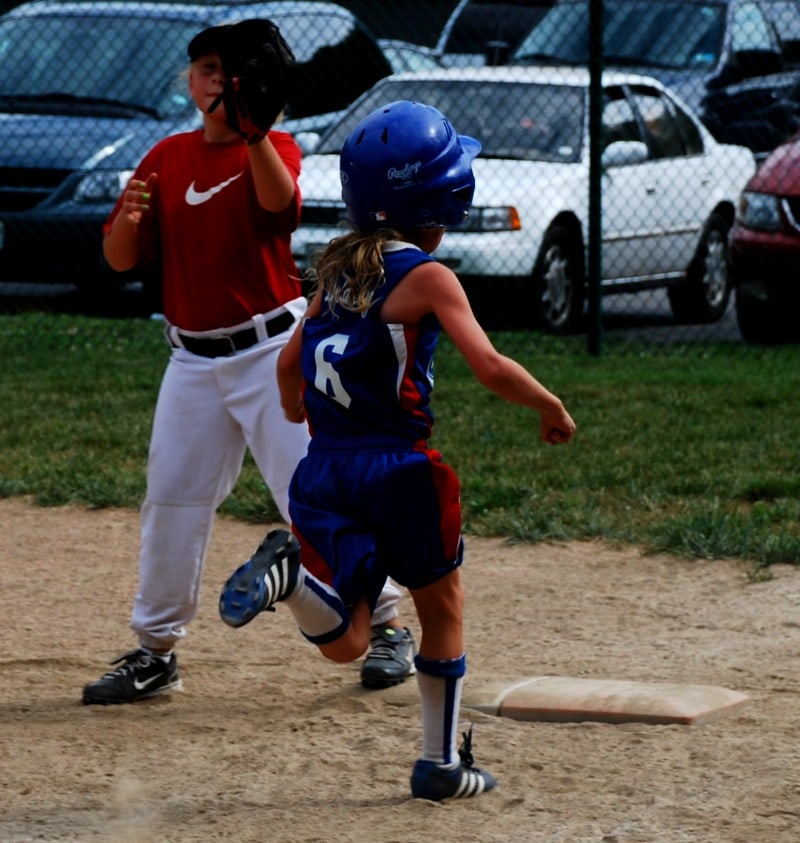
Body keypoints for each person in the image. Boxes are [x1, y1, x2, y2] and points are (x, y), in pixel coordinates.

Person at [217, 100, 577, 800]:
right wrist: (549, 404)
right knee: (441, 604)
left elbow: (289, 367)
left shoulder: (332, 278)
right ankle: (439, 763)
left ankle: (292, 583)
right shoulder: (428, 277)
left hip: (322, 472)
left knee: (348, 635)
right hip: (400, 470)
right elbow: (490, 364)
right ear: (437, 198)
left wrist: (297, 411)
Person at [81, 21, 414, 705]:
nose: (207, 81)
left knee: (312, 488)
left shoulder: (275, 147)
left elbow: (279, 209)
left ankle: (386, 621)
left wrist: (258, 130)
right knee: (171, 497)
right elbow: (117, 260)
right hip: (192, 361)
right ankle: (155, 650)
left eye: (221, 71)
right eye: (202, 69)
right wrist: (129, 222)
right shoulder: (166, 157)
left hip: (272, 350)